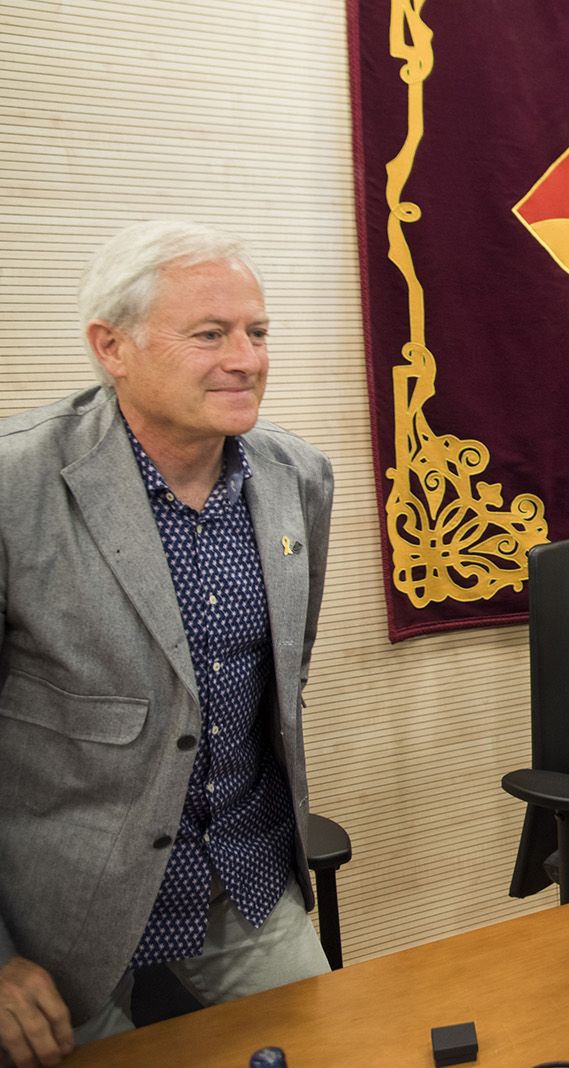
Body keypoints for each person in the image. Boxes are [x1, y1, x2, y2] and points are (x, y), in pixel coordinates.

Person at [0, 221, 334, 1066]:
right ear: (111, 347)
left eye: (257, 332)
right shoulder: (16, 490)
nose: (247, 358)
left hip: (245, 876)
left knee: (342, 1045)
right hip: (57, 912)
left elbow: (280, 689)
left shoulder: (299, 478)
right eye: (210, 335)